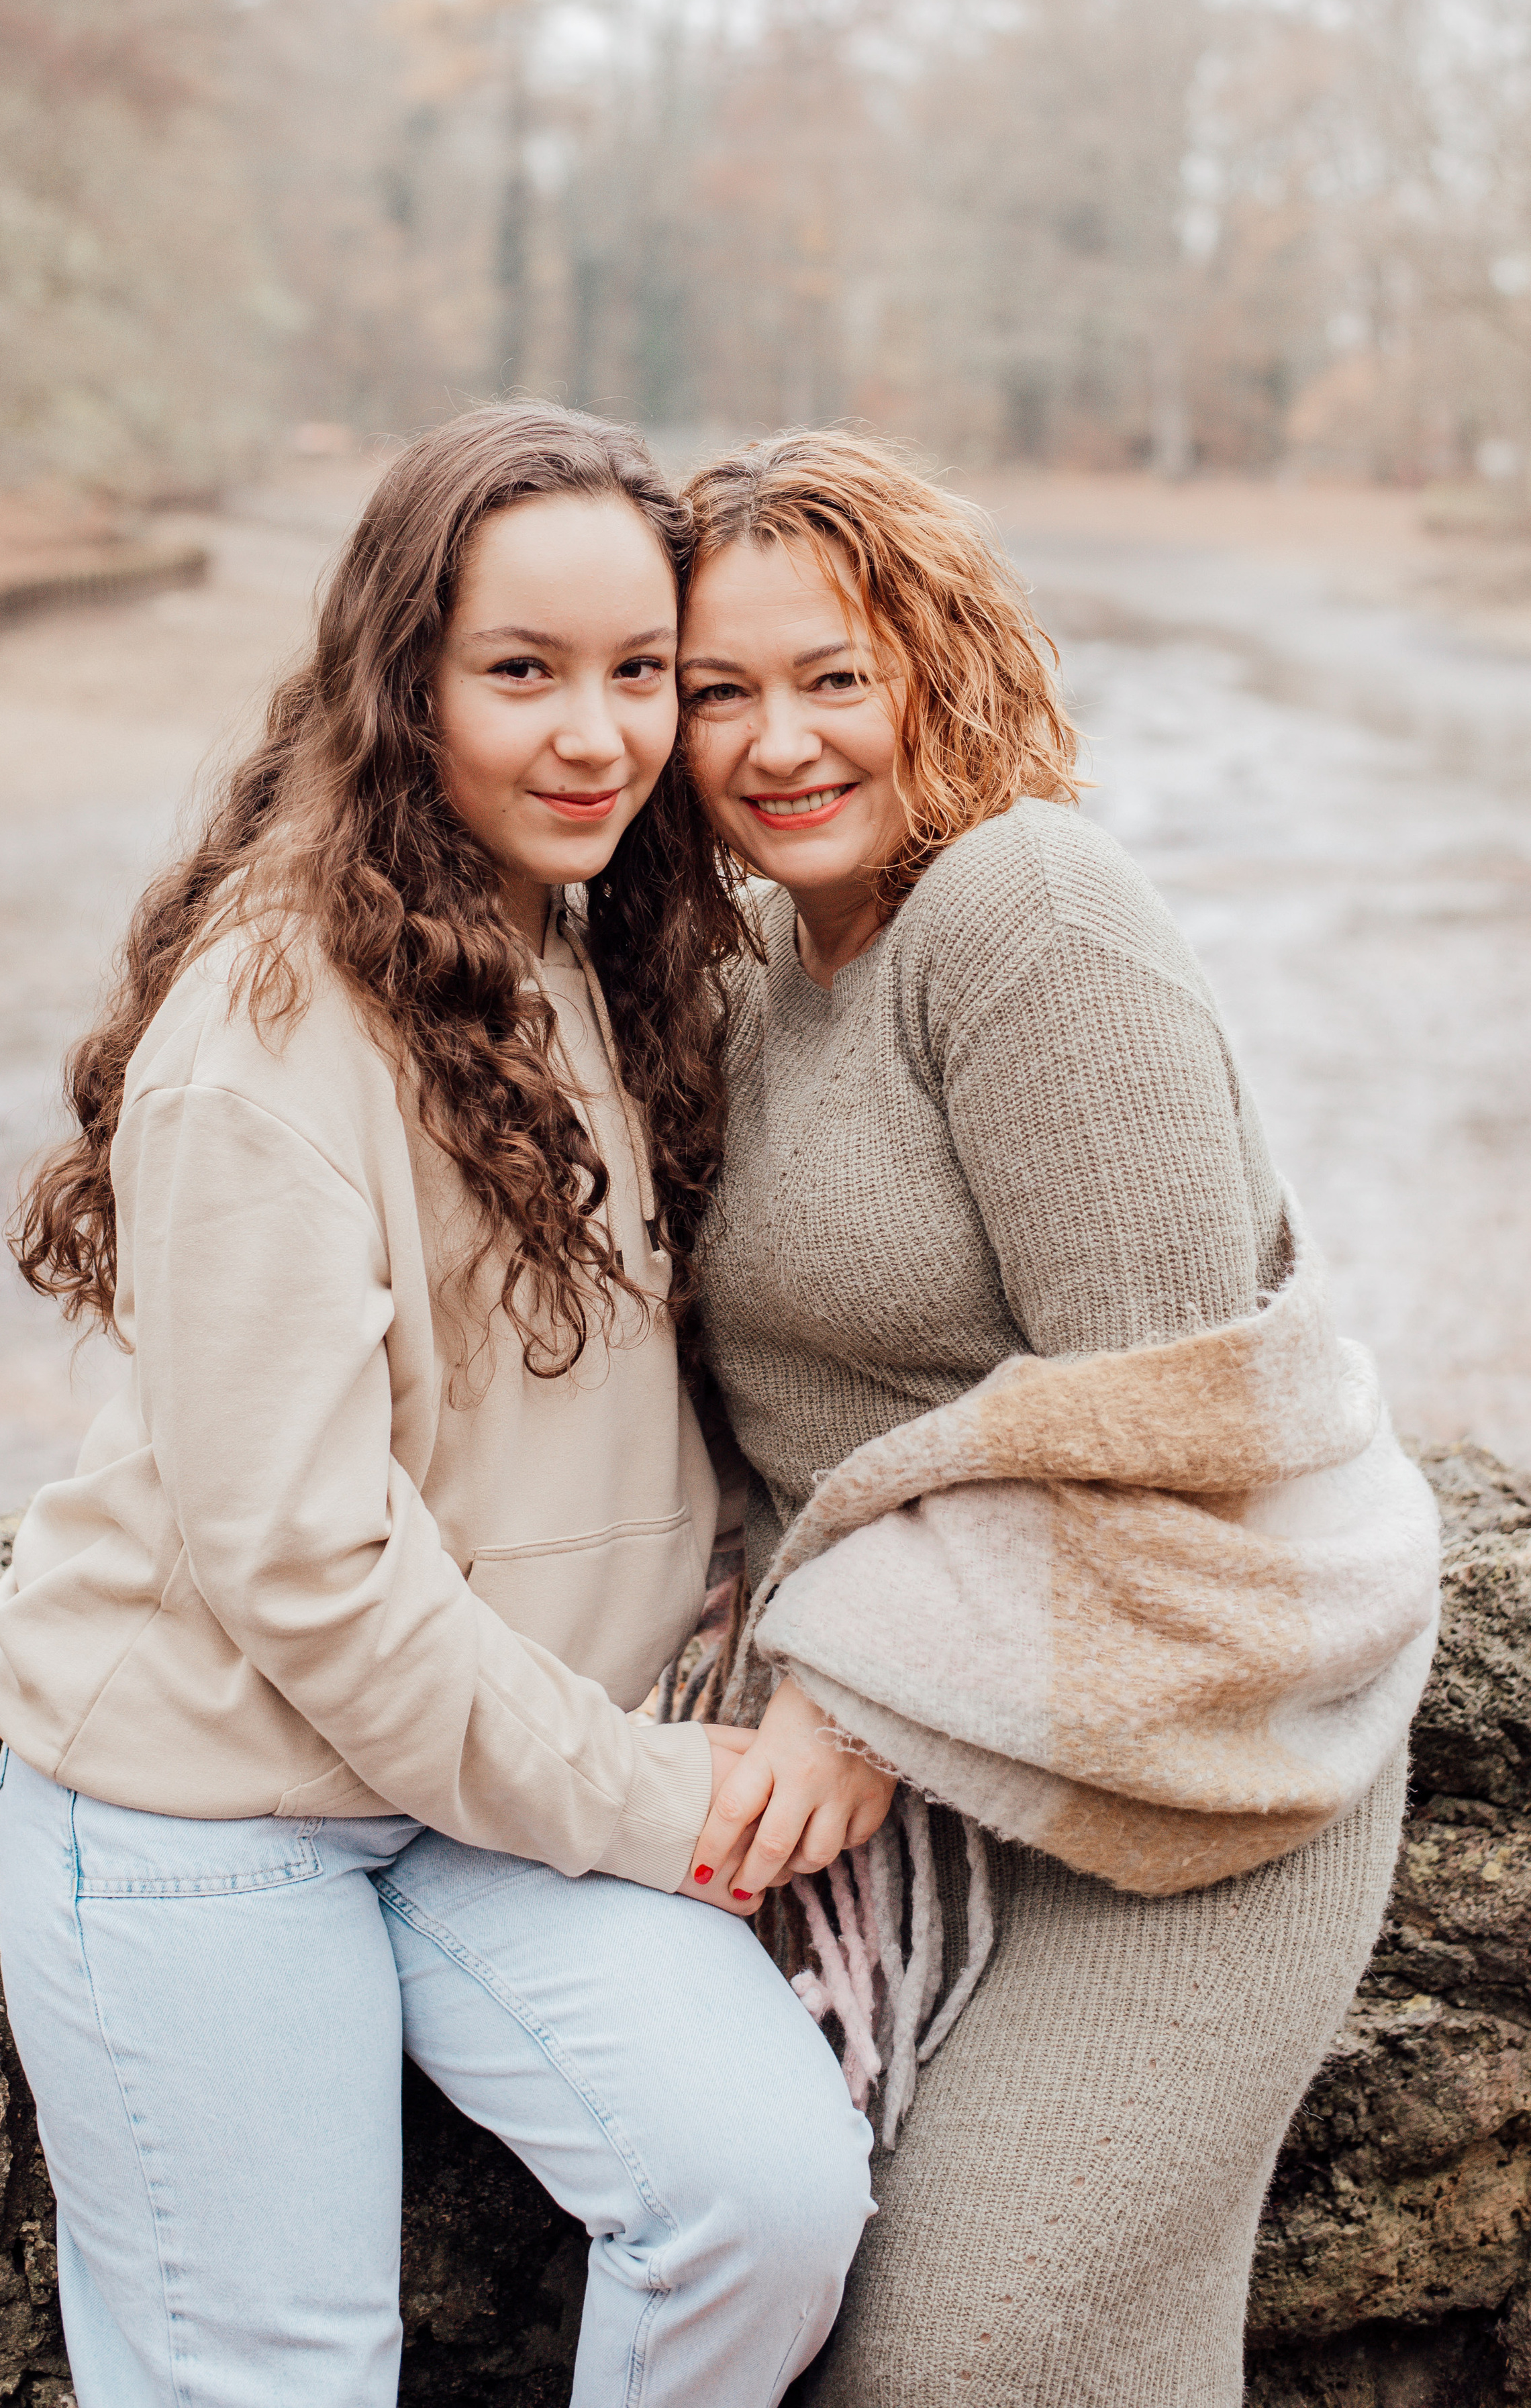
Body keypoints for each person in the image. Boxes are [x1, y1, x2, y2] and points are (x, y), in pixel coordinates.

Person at [0, 403, 873, 2408]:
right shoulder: (268, 1029)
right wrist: (663, 1802)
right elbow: (304, 1566)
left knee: (767, 2201)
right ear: (406, 683)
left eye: (641, 673)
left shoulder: (614, 943)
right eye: (523, 672)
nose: (600, 735)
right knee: (280, 2373)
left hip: (491, 1785)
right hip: (212, 1802)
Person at [674, 431, 1423, 2407]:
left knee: (967, 2355)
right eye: (718, 690)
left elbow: (1189, 1437)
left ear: (942, 659)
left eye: (834, 674)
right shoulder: (752, 966)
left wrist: (844, 1682)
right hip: (946, 1775)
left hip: (1193, 1778)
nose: (778, 741)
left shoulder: (1030, 908)